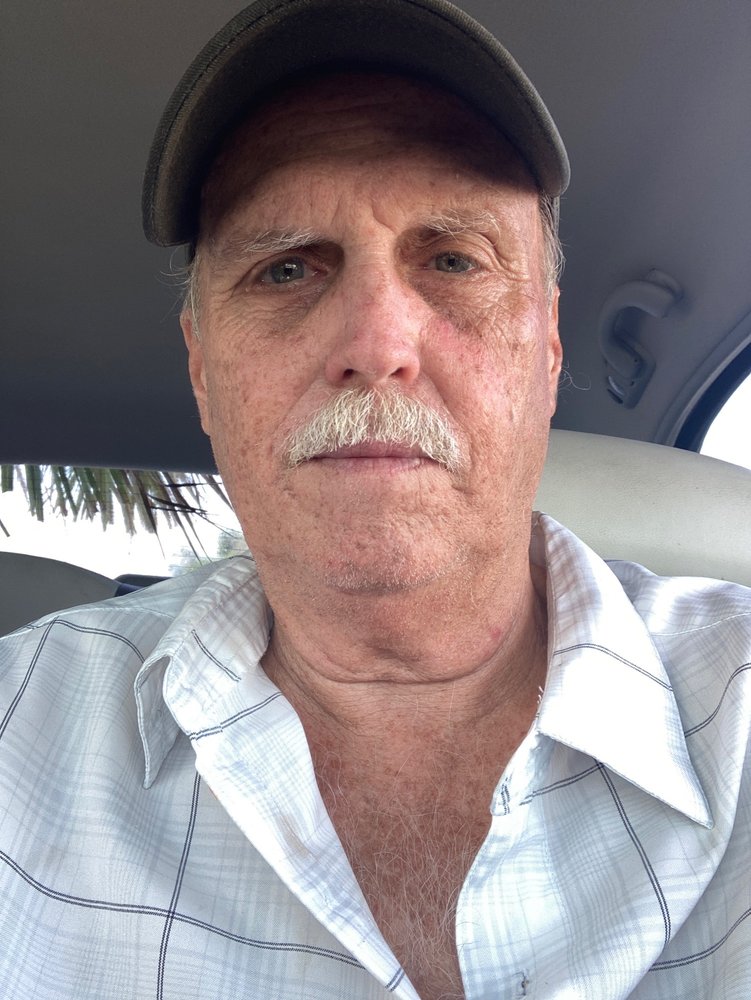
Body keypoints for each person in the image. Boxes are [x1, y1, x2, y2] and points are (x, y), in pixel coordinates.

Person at [1, 1, 749, 998]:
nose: (375, 343)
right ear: (202, 372)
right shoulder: (19, 725)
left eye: (453, 260)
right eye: (286, 268)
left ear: (548, 350)